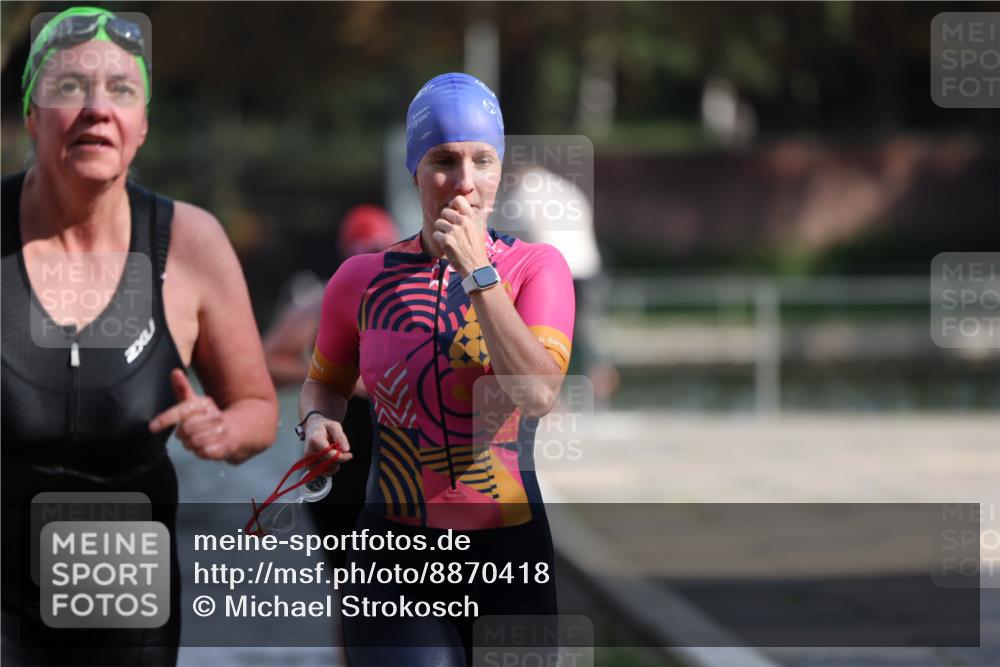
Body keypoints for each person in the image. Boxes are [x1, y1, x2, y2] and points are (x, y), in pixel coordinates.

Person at [1, 7, 278, 665]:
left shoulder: (190, 244)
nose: (98, 108)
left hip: (121, 583)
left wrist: (224, 431)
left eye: (121, 89)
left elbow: (260, 410)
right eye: (69, 86)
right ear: (31, 116)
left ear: (143, 124)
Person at [298, 72, 575, 666]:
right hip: (393, 559)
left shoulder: (537, 269)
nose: (466, 183)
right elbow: (324, 382)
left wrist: (480, 273)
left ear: (500, 171)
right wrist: (318, 421)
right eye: (445, 160)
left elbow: (536, 394)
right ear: (415, 170)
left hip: (509, 556)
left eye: (484, 161)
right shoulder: (359, 282)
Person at [263, 204, 398, 569]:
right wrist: (335, 376)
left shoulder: (413, 297)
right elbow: (268, 362)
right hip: (343, 454)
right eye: (363, 252)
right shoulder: (326, 298)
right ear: (347, 253)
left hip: (397, 461)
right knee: (350, 582)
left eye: (378, 250)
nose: (371, 260)